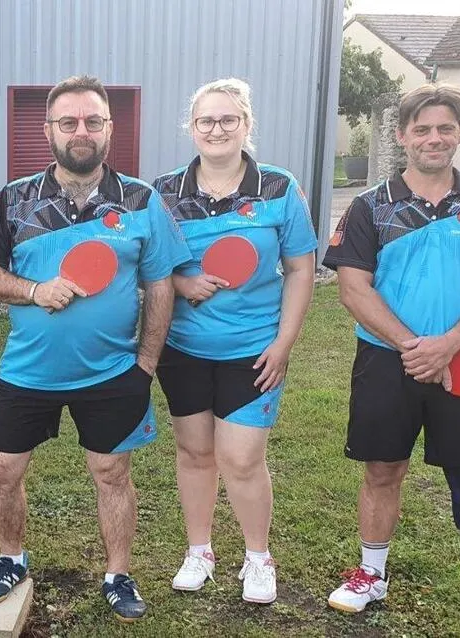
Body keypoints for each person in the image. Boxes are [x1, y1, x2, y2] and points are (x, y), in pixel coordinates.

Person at [0, 75, 190, 623]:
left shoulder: (141, 201)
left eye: (93, 121)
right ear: (49, 130)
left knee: (112, 473)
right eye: (68, 122)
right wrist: (34, 291)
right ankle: (11, 559)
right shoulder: (14, 200)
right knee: (1, 472)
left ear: (110, 128)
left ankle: (118, 574)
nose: (81, 131)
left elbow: (160, 283)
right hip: (28, 371)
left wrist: (145, 365)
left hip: (112, 373)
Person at [323, 83, 460, 618]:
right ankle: (371, 575)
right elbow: (353, 289)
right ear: (402, 136)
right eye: (422, 129)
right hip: (387, 362)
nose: (434, 138)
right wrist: (415, 348)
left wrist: (448, 345)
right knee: (383, 471)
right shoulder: (369, 206)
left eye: (445, 128)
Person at [150, 78, 317, 605]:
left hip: (254, 349)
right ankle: (199, 551)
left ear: (246, 125)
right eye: (206, 120)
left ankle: (258, 557)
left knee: (241, 459)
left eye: (228, 119)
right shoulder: (163, 192)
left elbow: (301, 269)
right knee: (194, 452)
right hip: (184, 349)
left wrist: (284, 343)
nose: (217, 129)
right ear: (192, 127)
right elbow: (149, 263)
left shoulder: (280, 188)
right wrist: (183, 283)